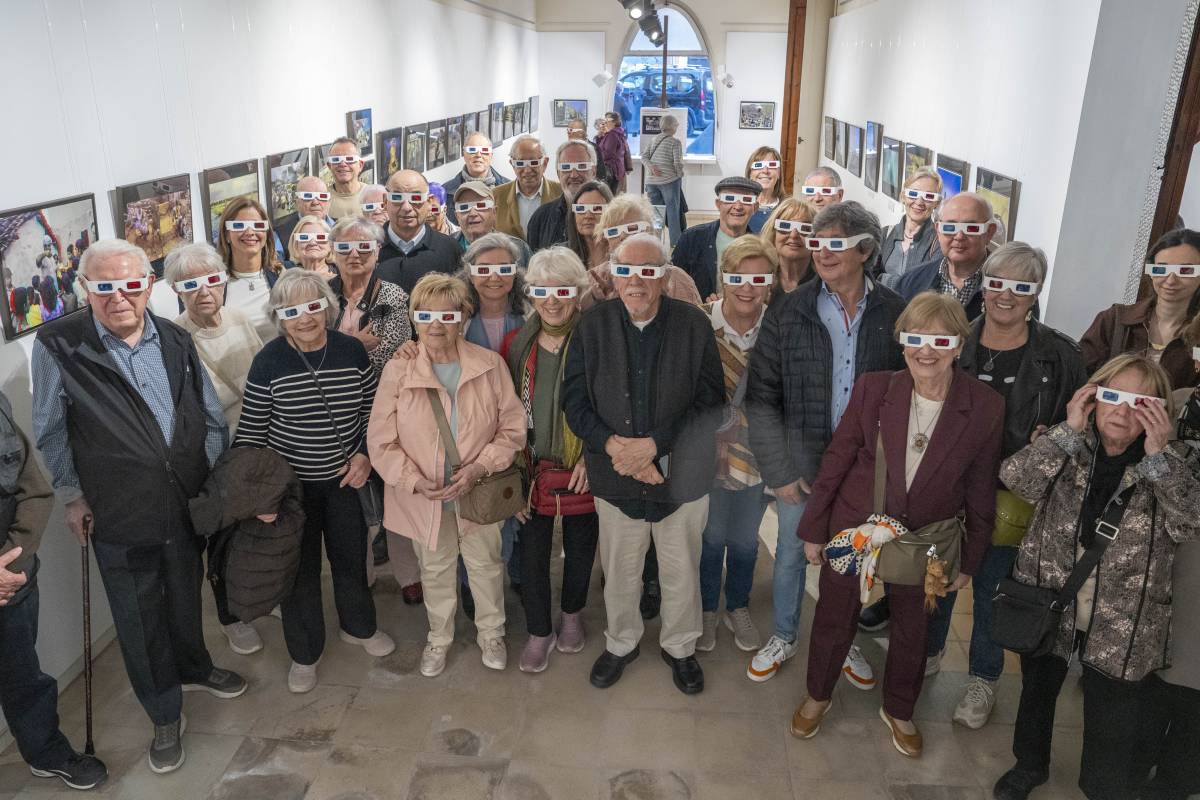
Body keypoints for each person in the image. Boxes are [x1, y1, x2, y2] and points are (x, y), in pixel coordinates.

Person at [33, 239, 246, 774]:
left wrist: (213, 477)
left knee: (184, 591)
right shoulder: (60, 344)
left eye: (131, 284)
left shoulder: (174, 336)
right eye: (104, 287)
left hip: (183, 499)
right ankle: (163, 711)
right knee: (138, 613)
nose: (119, 298)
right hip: (117, 508)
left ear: (149, 285)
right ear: (85, 289)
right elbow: (51, 431)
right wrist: (72, 496)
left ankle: (194, 666)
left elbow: (206, 413)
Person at [790, 292, 1002, 759]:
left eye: (940, 339)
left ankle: (899, 709)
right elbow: (838, 459)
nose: (926, 350)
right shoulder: (873, 388)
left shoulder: (984, 405)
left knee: (914, 628)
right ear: (902, 342)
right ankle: (818, 695)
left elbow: (981, 487)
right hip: (854, 527)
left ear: (959, 346)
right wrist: (814, 527)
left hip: (928, 537)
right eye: (915, 338)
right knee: (833, 615)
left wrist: (970, 559)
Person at [992, 354, 1196, 800]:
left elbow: (1190, 523)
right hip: (1051, 599)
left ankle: (1100, 785)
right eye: (1112, 396)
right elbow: (1016, 480)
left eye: (1139, 401)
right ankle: (1028, 766)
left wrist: (1160, 457)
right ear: (1092, 397)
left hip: (1125, 617)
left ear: (1158, 411)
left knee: (1114, 712)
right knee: (1037, 692)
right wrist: (1066, 429)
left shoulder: (1176, 462)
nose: (1122, 412)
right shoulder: (1066, 443)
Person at [923, 243, 1087, 728]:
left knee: (995, 588)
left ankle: (983, 679)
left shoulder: (1059, 355)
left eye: (1022, 286)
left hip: (1014, 502)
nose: (1006, 295)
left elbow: (1079, 430)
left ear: (1036, 293)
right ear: (984, 285)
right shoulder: (954, 340)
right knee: (939, 581)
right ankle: (927, 654)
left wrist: (1054, 436)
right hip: (948, 491)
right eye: (997, 283)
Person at [744, 201, 906, 684]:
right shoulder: (788, 310)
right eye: (817, 243)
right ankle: (786, 635)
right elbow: (762, 399)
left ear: (866, 250)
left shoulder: (896, 313)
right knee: (792, 556)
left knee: (851, 560)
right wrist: (780, 472)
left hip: (863, 472)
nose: (822, 253)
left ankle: (845, 640)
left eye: (836, 244)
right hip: (803, 465)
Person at [562, 233, 724, 694]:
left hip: (682, 480)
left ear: (665, 275)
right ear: (613, 273)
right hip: (614, 477)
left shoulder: (694, 326)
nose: (637, 281)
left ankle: (680, 648)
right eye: (627, 270)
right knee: (620, 572)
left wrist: (654, 446)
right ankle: (621, 643)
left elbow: (711, 402)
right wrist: (617, 450)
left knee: (680, 571)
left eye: (649, 271)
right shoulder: (592, 326)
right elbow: (575, 403)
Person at [234, 270, 394, 695]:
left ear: (326, 306)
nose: (304, 318)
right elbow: (250, 435)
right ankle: (304, 654)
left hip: (345, 479)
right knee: (298, 573)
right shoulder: (268, 360)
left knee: (350, 559)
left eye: (312, 306)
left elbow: (372, 411)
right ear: (278, 317)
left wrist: (364, 454)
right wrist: (261, 497)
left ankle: (359, 628)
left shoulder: (350, 350)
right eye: (291, 311)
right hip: (292, 490)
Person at [367, 273, 525, 677]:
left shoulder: (488, 365)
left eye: (446, 314)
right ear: (413, 319)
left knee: (486, 566)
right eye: (425, 315)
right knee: (434, 570)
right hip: (425, 495)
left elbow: (512, 429)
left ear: (462, 317)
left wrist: (480, 466)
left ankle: (492, 633)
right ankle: (439, 638)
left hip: (478, 490)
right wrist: (413, 481)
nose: (435, 324)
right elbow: (381, 441)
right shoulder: (398, 373)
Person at [0, 388, 108, 790]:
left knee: (23, 675)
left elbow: (34, 491)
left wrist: (14, 558)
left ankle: (45, 752)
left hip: (11, 575)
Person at [500, 247, 598, 672]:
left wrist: (593, 455)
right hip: (531, 464)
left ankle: (572, 616)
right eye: (542, 290)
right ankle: (540, 631)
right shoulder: (515, 344)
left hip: (583, 466)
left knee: (580, 549)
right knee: (532, 555)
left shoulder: (598, 338)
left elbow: (613, 404)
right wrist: (515, 474)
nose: (552, 300)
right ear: (531, 294)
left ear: (578, 293)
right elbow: (504, 414)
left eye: (563, 290)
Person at [166, 242, 267, 655]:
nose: (205, 291)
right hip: (214, 456)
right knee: (223, 541)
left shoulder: (241, 318)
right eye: (191, 284)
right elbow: (193, 405)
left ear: (224, 280)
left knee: (260, 531)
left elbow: (265, 373)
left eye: (212, 280)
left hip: (259, 443)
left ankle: (260, 597)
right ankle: (231, 617)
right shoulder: (173, 337)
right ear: (177, 290)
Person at [696, 236, 779, 654]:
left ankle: (738, 605)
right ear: (722, 278)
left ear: (771, 283)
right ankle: (708, 608)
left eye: (758, 278)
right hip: (707, 453)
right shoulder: (699, 322)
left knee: (746, 538)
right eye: (737, 277)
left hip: (757, 455)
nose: (747, 287)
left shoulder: (779, 327)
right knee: (711, 536)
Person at [1134, 336, 1200, 799]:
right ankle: (1139, 765)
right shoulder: (1175, 404)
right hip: (1163, 555)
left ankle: (1179, 780)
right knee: (1156, 668)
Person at [1079, 227, 1200, 389]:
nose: (1170, 280)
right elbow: (1078, 377)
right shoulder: (1114, 320)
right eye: (1161, 269)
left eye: (1185, 271)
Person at [581, 193, 702, 308]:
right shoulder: (592, 279)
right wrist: (593, 302)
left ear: (650, 232)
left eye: (632, 228)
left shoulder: (676, 280)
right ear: (606, 242)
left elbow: (695, 325)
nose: (622, 236)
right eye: (613, 232)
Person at [893, 192, 997, 319]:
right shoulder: (909, 282)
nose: (959, 236)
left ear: (990, 232)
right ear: (938, 230)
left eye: (971, 228)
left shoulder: (1006, 290)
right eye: (950, 227)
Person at [329, 216, 412, 374]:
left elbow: (389, 359)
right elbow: (308, 352)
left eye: (364, 246)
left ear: (377, 251)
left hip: (378, 392)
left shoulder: (394, 297)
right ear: (333, 251)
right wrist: (356, 345)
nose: (354, 253)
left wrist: (334, 354)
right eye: (344, 246)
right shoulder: (321, 295)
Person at [672, 176, 761, 300]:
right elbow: (673, 284)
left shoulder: (761, 249)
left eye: (746, 200)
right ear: (718, 204)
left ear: (755, 207)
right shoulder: (691, 239)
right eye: (729, 199)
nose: (738, 206)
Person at [376, 170, 462, 294]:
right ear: (385, 202)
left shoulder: (449, 249)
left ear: (429, 202)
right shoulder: (367, 249)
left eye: (416, 198)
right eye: (397, 197)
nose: (406, 207)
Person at [217, 196, 286, 343]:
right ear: (227, 235)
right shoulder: (214, 284)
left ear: (267, 233)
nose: (250, 232)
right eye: (239, 226)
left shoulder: (283, 275)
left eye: (258, 225)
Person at [460, 233, 529, 352]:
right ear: (470, 276)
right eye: (483, 270)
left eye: (504, 269)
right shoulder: (457, 317)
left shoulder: (533, 313)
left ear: (514, 273)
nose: (494, 278)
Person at [527, 140, 599, 252]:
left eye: (581, 166)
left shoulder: (612, 214)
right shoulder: (540, 218)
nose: (574, 175)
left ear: (593, 171)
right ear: (558, 173)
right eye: (566, 167)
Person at [878, 167, 942, 286]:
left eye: (929, 196)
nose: (919, 202)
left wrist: (883, 279)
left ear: (936, 203)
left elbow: (926, 286)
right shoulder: (884, 233)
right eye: (913, 194)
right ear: (903, 196)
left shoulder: (940, 242)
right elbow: (869, 277)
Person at [494, 135, 563, 241]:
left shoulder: (561, 193)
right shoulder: (496, 196)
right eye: (520, 163)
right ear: (512, 164)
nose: (527, 170)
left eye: (534, 163)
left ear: (545, 163)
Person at [451, 181, 533, 266]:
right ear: (457, 216)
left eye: (481, 205)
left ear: (494, 212)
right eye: (464, 207)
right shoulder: (444, 246)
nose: (473, 213)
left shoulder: (519, 248)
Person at [443, 132, 511, 224]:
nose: (478, 155)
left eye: (484, 150)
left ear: (491, 156)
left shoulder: (509, 188)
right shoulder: (446, 191)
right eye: (472, 150)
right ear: (464, 154)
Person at [642, 114, 686, 246]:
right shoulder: (675, 142)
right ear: (672, 126)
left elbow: (644, 157)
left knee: (656, 212)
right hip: (669, 181)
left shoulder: (653, 139)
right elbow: (677, 162)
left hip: (651, 182)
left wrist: (652, 167)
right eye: (676, 125)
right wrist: (679, 174)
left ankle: (656, 241)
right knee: (673, 212)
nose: (677, 127)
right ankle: (675, 242)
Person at [760, 198, 818, 293]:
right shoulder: (758, 279)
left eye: (805, 228)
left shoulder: (826, 285)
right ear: (773, 234)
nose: (794, 235)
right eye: (785, 226)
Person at [276, 176, 335, 249]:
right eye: (308, 196)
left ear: (329, 201)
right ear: (297, 202)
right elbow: (275, 260)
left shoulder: (342, 229)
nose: (315, 202)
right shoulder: (281, 234)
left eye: (322, 196)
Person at [564, 180, 612, 268]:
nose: (588, 215)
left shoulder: (622, 253)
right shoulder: (563, 255)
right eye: (581, 208)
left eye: (597, 208)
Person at [746, 146, 789, 234]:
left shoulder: (788, 208)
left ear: (779, 174)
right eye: (758, 165)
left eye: (772, 165)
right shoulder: (740, 206)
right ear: (750, 173)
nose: (765, 171)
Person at [326, 136, 367, 220]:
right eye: (336, 159)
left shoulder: (372, 195)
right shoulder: (322, 200)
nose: (343, 164)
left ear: (360, 165)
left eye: (349, 159)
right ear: (329, 166)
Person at [596, 112, 631, 194]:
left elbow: (608, 153)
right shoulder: (615, 133)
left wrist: (596, 157)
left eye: (607, 120)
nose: (604, 122)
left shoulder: (612, 135)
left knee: (612, 196)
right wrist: (600, 136)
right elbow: (601, 148)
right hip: (617, 170)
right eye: (604, 120)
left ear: (614, 122)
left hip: (612, 171)